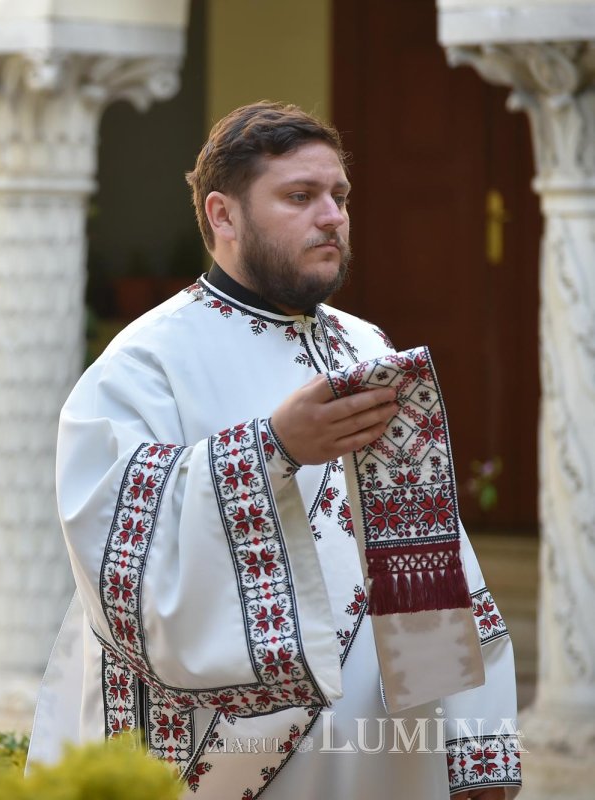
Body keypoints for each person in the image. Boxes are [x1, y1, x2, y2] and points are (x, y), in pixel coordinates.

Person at [27, 102, 520, 799]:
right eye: (300, 196)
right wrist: (273, 448)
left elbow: (431, 547)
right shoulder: (145, 363)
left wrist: (475, 739)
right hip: (233, 757)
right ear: (223, 215)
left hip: (391, 747)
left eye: (340, 196)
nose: (332, 216)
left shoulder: (367, 347)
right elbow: (115, 555)